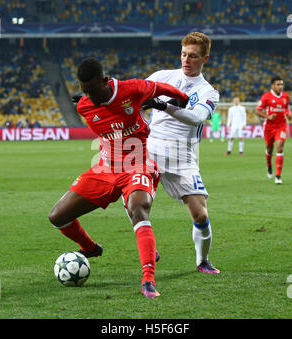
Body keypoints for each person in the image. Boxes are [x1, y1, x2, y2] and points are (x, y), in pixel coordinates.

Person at [48, 57, 188, 298]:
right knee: (57, 216)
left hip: (139, 164)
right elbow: (89, 105)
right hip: (105, 169)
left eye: (92, 90)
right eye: (84, 91)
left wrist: (181, 99)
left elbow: (161, 89)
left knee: (138, 208)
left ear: (105, 80)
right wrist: (85, 98)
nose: (89, 96)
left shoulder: (132, 88)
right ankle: (90, 249)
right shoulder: (84, 106)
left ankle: (148, 279)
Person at [144, 32, 220, 274]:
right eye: (184, 54)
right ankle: (148, 246)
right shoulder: (162, 77)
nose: (187, 60)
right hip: (151, 147)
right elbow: (133, 95)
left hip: (182, 155)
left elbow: (196, 117)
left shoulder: (208, 92)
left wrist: (163, 106)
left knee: (199, 213)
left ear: (205, 58)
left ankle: (202, 260)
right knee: (136, 202)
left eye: (194, 56)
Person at [256, 76, 292, 184]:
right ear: (273, 85)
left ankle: (278, 176)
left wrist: (288, 115)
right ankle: (269, 165)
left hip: (281, 126)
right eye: (278, 84)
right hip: (269, 127)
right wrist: (267, 116)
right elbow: (258, 111)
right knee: (269, 148)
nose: (280, 87)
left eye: (281, 84)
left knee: (280, 147)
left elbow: (285, 108)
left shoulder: (286, 96)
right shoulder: (266, 97)